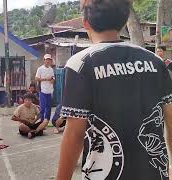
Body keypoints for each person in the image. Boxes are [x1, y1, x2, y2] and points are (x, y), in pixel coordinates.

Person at [57, 0, 172, 180]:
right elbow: (170, 120)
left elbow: (74, 134)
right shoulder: (156, 62)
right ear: (125, 21)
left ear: (85, 22)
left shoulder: (80, 64)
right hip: (154, 174)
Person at [35, 54, 55, 131]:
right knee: (42, 107)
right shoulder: (40, 69)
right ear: (44, 60)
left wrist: (52, 80)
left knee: (49, 107)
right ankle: (41, 121)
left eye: (49, 60)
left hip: (49, 91)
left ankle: (47, 121)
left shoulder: (51, 69)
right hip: (42, 90)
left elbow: (53, 77)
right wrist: (45, 79)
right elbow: (36, 78)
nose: (48, 61)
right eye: (47, 59)